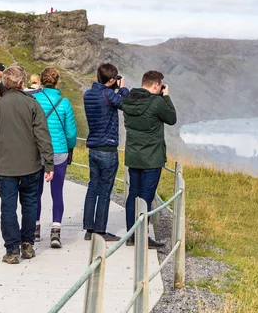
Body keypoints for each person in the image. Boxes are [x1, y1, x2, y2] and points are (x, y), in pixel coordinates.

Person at [0, 66, 54, 265]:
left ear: (4, 83)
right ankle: (27, 245)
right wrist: (49, 163)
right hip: (31, 165)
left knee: (8, 207)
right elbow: (42, 136)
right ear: (23, 84)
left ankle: (11, 250)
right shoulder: (33, 104)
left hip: (5, 167)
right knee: (30, 204)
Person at [122, 70, 176, 249]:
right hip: (152, 157)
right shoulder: (157, 102)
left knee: (133, 194)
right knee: (146, 196)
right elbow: (172, 118)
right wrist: (166, 97)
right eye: (160, 85)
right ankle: (142, 237)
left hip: (133, 155)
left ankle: (131, 234)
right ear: (156, 85)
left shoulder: (128, 99)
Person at [83, 63, 129, 241]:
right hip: (107, 148)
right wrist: (122, 88)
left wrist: (113, 88)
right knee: (105, 190)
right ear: (111, 80)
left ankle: (89, 229)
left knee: (92, 187)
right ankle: (100, 230)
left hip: (93, 147)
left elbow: (109, 101)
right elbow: (125, 104)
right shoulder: (108, 94)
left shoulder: (89, 94)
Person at [32, 68, 77, 248]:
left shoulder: (33, 99)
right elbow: (71, 133)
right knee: (57, 192)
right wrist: (70, 146)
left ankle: (35, 228)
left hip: (37, 151)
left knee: (36, 191)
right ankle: (56, 231)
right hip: (58, 152)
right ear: (57, 82)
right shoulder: (64, 103)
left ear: (41, 82)